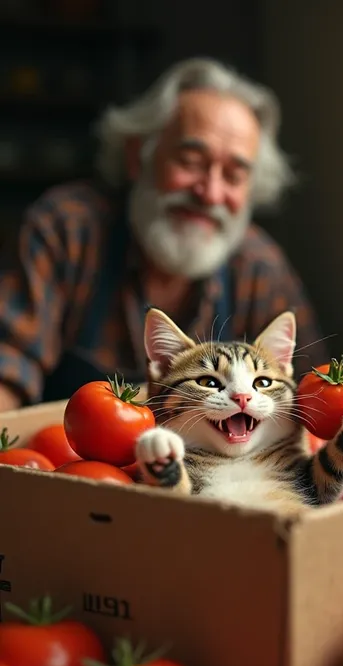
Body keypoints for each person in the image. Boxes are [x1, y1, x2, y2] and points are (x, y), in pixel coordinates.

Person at [0, 58, 326, 411]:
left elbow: (311, 397)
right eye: (190, 161)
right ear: (138, 156)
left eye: (233, 175)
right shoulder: (67, 228)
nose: (211, 194)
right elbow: (8, 363)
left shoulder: (259, 265)